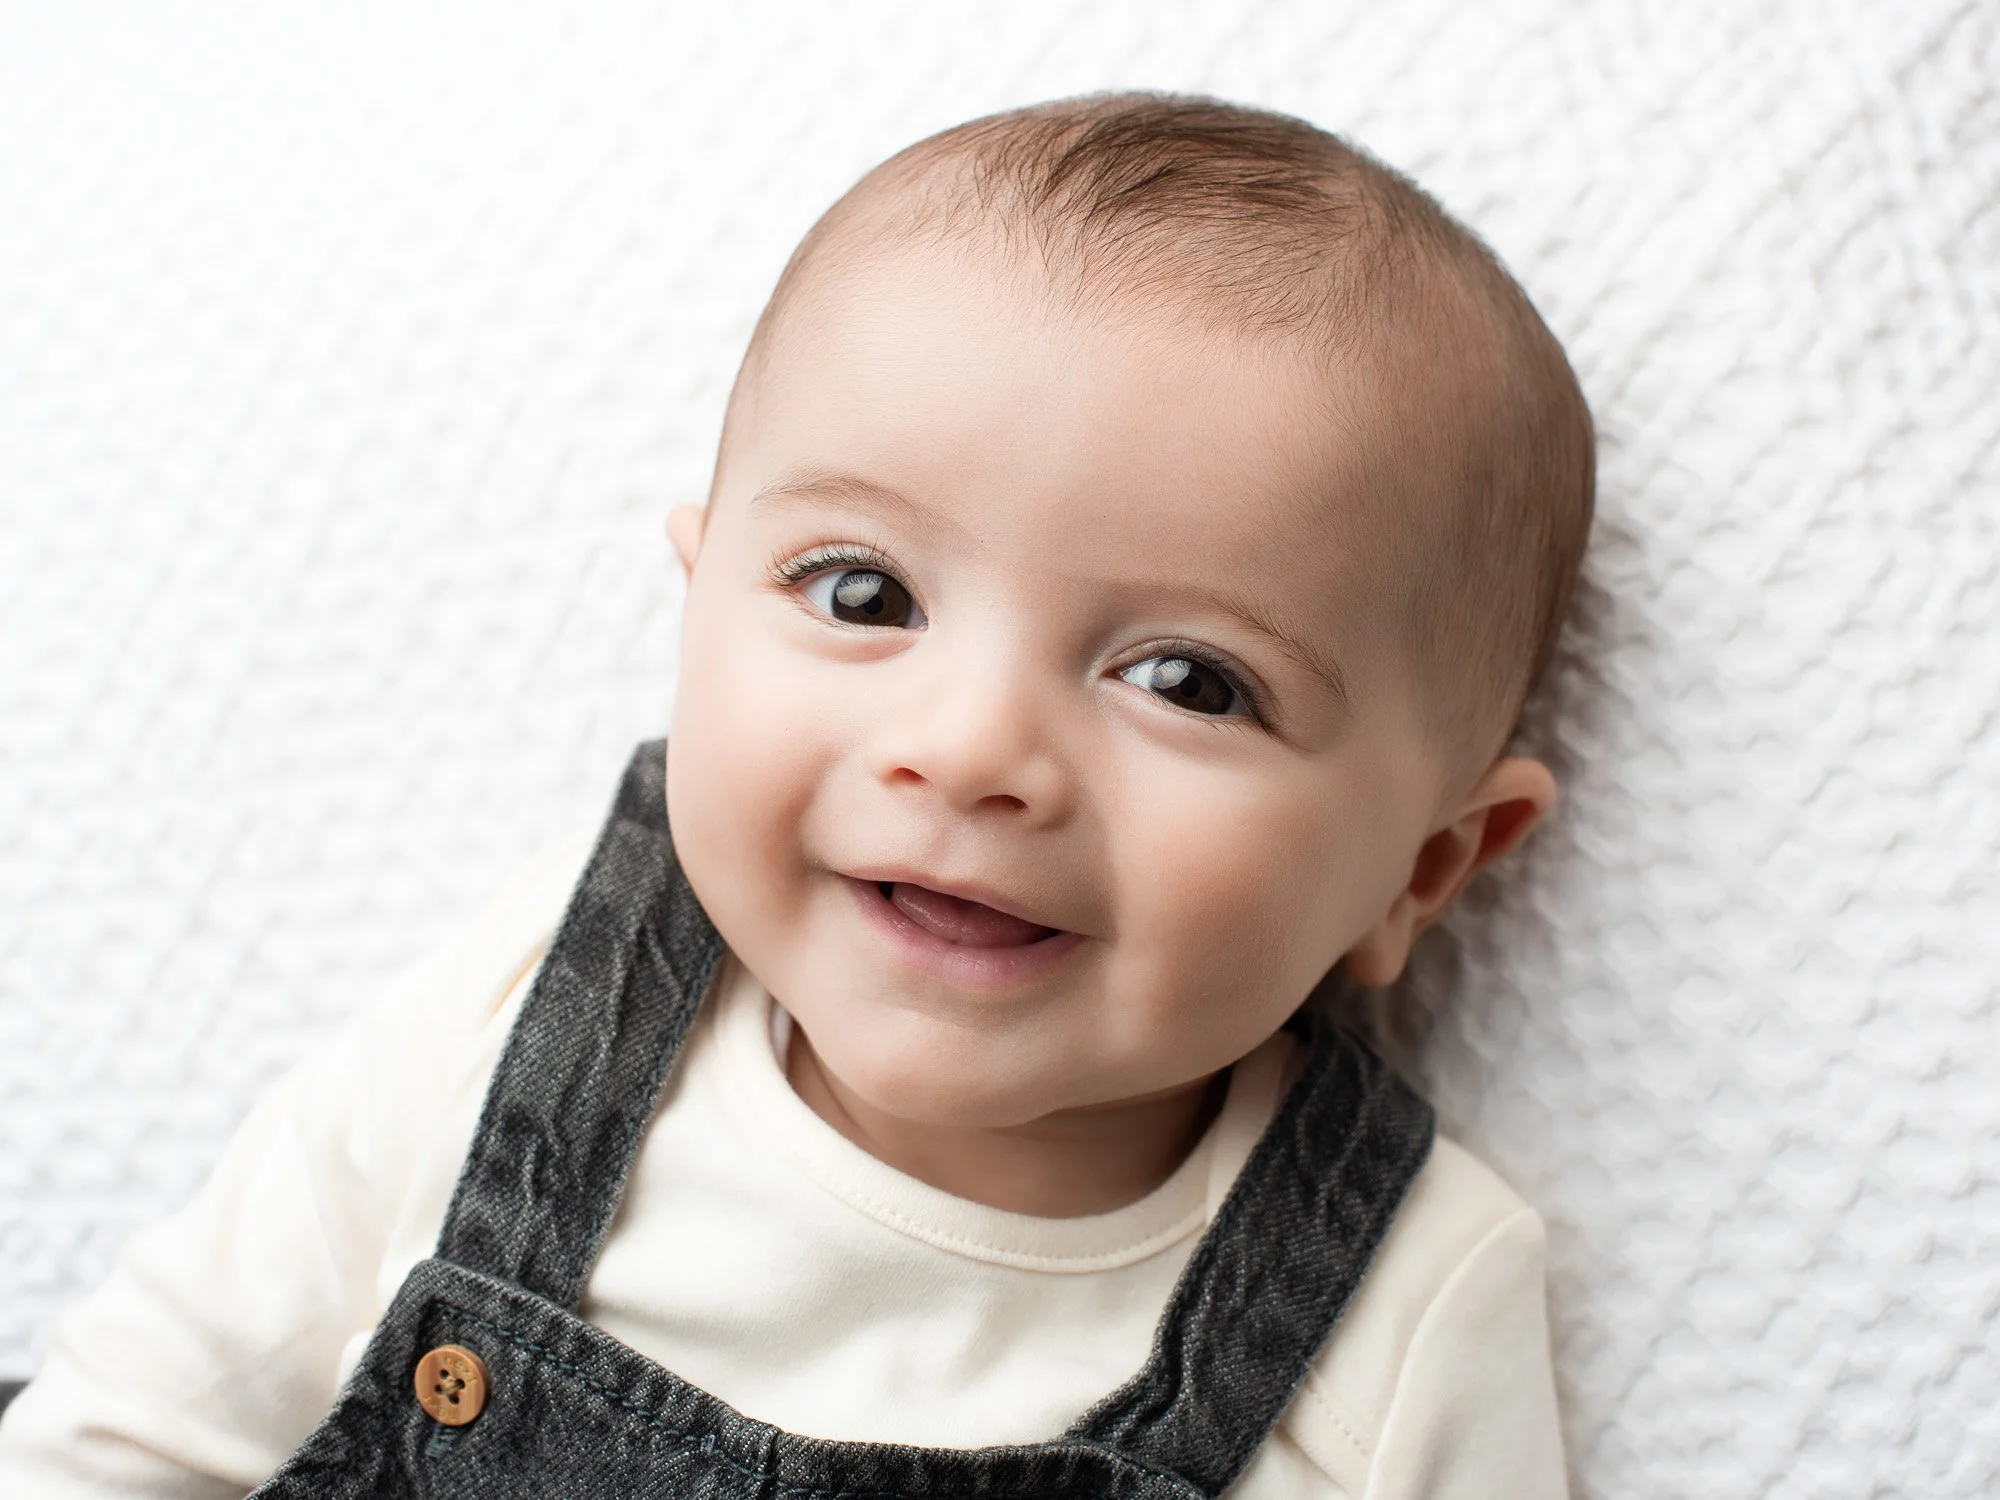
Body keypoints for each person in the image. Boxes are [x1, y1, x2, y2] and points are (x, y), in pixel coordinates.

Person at [0, 93, 1594, 1497]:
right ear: (695, 610)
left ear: (1427, 868)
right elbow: (145, 1417)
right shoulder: (542, 1006)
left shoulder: (1405, 1307)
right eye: (860, 591)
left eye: (1188, 681)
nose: (970, 750)